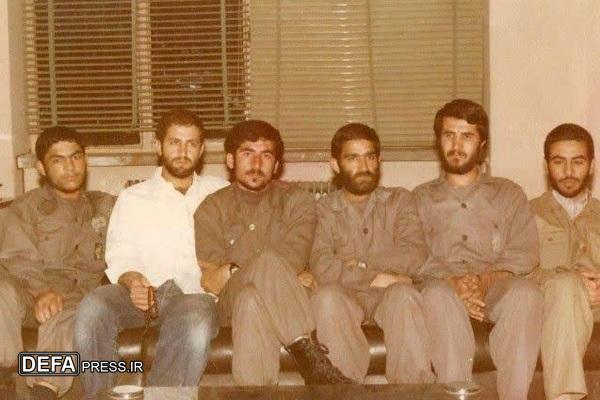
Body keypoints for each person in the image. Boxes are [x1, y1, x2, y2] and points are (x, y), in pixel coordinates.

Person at [73, 109, 228, 399]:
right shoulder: (133, 197)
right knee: (93, 307)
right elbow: (119, 255)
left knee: (194, 319)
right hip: (140, 294)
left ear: (202, 149)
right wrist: (133, 281)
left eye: (191, 143)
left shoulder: (220, 192)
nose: (183, 151)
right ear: (158, 146)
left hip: (192, 296)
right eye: (174, 142)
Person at [194, 119, 352, 385]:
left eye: (266, 156)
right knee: (265, 264)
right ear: (230, 160)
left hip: (280, 302)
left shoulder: (298, 201)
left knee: (251, 297)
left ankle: (256, 393)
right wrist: (264, 270)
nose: (257, 164)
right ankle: (308, 354)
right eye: (247, 153)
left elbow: (293, 259)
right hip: (230, 306)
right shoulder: (212, 208)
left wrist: (233, 269)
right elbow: (212, 282)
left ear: (277, 165)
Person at [413, 99, 543, 400]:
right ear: (438, 141)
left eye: (467, 136)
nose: (456, 145)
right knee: (436, 295)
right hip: (441, 287)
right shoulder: (418, 199)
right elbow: (414, 255)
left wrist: (485, 280)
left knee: (527, 293)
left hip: (496, 285)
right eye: (449, 135)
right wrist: (452, 283)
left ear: (482, 145)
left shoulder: (508, 193)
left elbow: (525, 251)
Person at [309, 123, 434, 383]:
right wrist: (379, 276)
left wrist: (361, 265)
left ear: (379, 160)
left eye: (370, 157)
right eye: (353, 158)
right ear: (335, 165)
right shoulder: (322, 210)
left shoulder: (400, 200)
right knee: (326, 297)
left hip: (389, 296)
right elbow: (322, 266)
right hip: (345, 298)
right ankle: (344, 392)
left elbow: (414, 254)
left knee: (404, 294)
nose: (364, 166)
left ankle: (413, 392)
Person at [0, 126, 114, 400]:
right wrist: (41, 291)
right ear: (41, 167)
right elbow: (18, 257)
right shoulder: (26, 207)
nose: (70, 168)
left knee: (69, 311)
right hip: (28, 291)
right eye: (58, 160)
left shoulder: (105, 206)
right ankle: (4, 375)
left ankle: (44, 391)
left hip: (76, 295)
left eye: (76, 157)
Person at [529, 123, 600, 400]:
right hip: (551, 305)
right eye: (559, 162)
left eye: (578, 162)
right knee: (567, 285)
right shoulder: (527, 213)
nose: (569, 172)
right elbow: (513, 274)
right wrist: (570, 282)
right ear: (546, 166)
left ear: (591, 166)